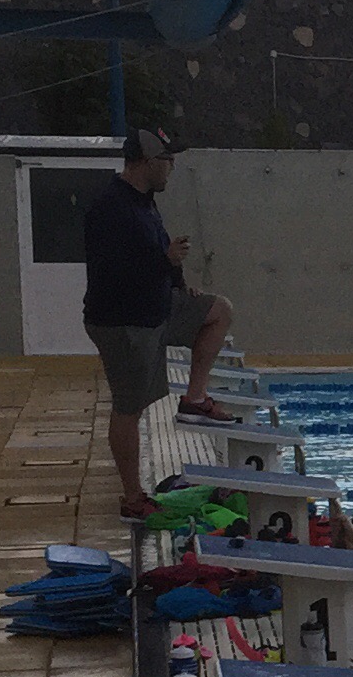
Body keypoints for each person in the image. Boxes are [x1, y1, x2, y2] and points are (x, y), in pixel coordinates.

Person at [84, 127, 238, 521]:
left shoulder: (144, 201)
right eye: (168, 161)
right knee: (129, 408)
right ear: (147, 162)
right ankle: (133, 497)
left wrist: (179, 284)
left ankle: (194, 399)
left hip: (156, 308)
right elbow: (112, 275)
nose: (172, 169)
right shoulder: (110, 207)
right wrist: (164, 261)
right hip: (122, 322)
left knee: (218, 310)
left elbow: (156, 250)